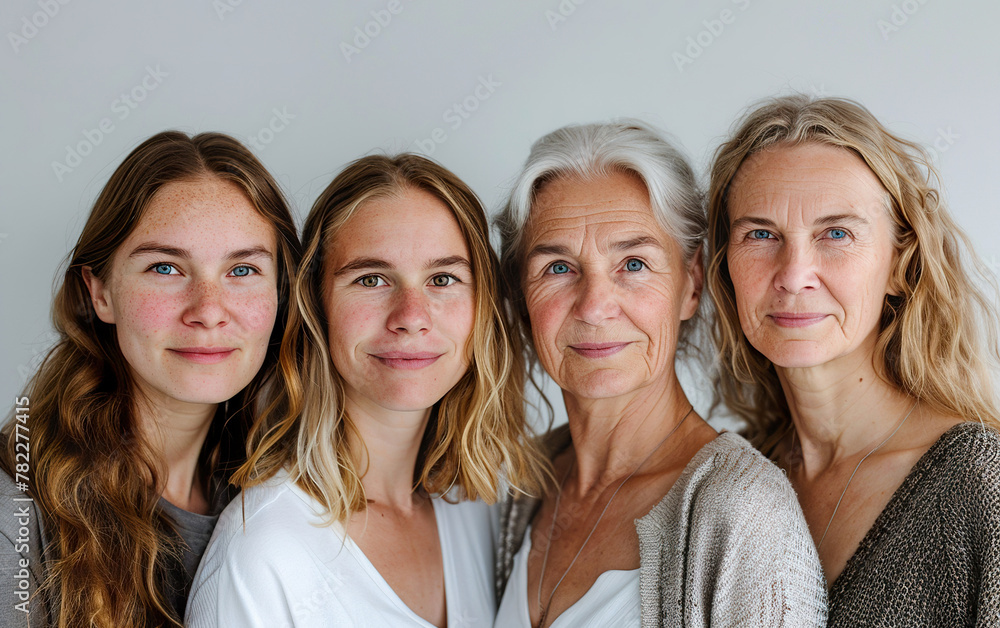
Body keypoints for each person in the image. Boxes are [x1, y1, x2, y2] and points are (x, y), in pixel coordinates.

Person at [186, 154, 546, 627]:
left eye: (443, 279)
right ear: (317, 306)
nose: (411, 316)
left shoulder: (484, 513)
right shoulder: (265, 547)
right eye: (371, 279)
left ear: (482, 308)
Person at [493, 120, 827, 627]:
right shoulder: (523, 486)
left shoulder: (742, 511)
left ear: (690, 285)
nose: (595, 307)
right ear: (520, 296)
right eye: (558, 268)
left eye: (633, 264)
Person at [706, 94, 1000, 625]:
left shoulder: (980, 483)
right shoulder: (731, 482)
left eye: (835, 233)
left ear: (899, 265)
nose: (794, 274)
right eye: (761, 234)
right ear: (725, 266)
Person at [0, 131, 302, 627]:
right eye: (165, 267)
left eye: (243, 270)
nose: (208, 311)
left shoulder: (278, 493)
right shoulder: (17, 517)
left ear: (279, 296)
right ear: (99, 293)